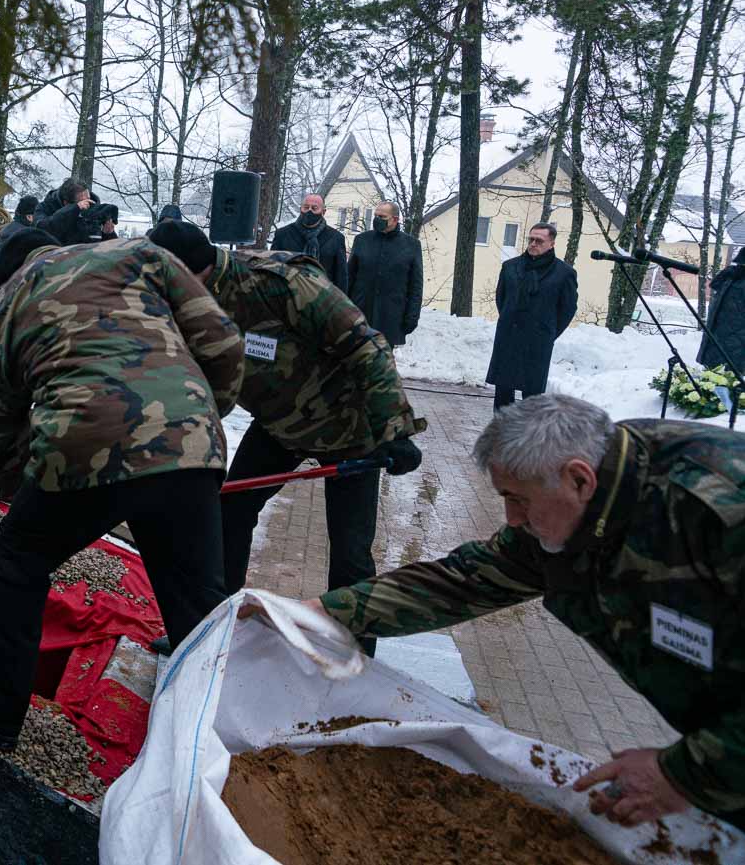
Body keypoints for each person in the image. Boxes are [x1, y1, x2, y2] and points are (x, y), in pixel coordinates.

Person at [293, 394, 745, 831]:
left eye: (519, 499)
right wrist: (323, 613)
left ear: (580, 480)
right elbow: (466, 580)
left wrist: (685, 773)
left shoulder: (719, 507)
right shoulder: (583, 501)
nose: (511, 518)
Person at [0, 225, 247, 750]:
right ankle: (209, 740)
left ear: (4, 275)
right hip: (189, 443)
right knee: (196, 599)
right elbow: (222, 339)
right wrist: (201, 418)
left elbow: (2, 425)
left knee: (20, 563)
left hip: (82, 441)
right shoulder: (135, 253)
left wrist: (20, 519)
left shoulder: (1, 308)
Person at [148, 220, 423, 656]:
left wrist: (395, 427)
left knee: (351, 552)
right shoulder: (183, 304)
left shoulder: (280, 283)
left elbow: (366, 346)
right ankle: (212, 631)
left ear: (187, 271)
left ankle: (355, 658)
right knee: (229, 510)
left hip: (349, 427)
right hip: (280, 425)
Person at [485, 222, 577, 411]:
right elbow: (501, 299)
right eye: (531, 239)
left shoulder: (564, 273)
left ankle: (528, 435)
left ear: (551, 243)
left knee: (532, 394)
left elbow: (567, 309)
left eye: (539, 240)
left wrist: (548, 331)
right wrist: (511, 320)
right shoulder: (510, 267)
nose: (533, 244)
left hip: (538, 340)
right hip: (509, 336)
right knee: (503, 391)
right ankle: (501, 433)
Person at [347, 201, 423, 346]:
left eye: (382, 216)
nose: (377, 219)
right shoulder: (362, 240)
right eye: (375, 215)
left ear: (395, 219)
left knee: (382, 365)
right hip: (360, 314)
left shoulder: (411, 245)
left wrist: (412, 317)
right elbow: (349, 277)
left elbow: (416, 286)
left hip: (391, 318)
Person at [272, 193, 347, 290]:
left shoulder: (336, 238)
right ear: (300, 209)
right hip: (288, 294)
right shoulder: (283, 234)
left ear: (323, 212)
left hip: (323, 297)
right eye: (306, 207)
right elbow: (272, 268)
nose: (309, 211)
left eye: (314, 208)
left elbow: (341, 277)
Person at [698, 247, 744, 375]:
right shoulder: (732, 277)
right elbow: (714, 284)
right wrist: (728, 271)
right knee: (714, 374)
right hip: (718, 331)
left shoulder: (735, 279)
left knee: (730, 375)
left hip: (737, 337)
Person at [34, 177, 100, 244]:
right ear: (66, 203)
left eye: (88, 199)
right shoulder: (44, 208)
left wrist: (107, 233)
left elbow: (95, 243)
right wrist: (74, 209)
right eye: (82, 202)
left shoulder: (93, 208)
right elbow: (43, 229)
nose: (87, 204)